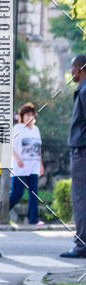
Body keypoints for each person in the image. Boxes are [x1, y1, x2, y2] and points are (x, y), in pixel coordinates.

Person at [61, 54, 86, 258]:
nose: (71, 72)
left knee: (80, 198)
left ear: (80, 68)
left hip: (82, 152)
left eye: (73, 67)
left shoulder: (84, 91)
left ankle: (81, 245)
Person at [9, 103, 44, 226]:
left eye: (31, 115)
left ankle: (33, 219)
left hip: (33, 167)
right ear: (22, 116)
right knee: (17, 194)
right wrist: (18, 159)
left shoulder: (36, 130)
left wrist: (41, 164)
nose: (29, 117)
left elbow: (38, 149)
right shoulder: (18, 128)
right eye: (27, 115)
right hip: (20, 168)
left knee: (34, 194)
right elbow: (10, 146)